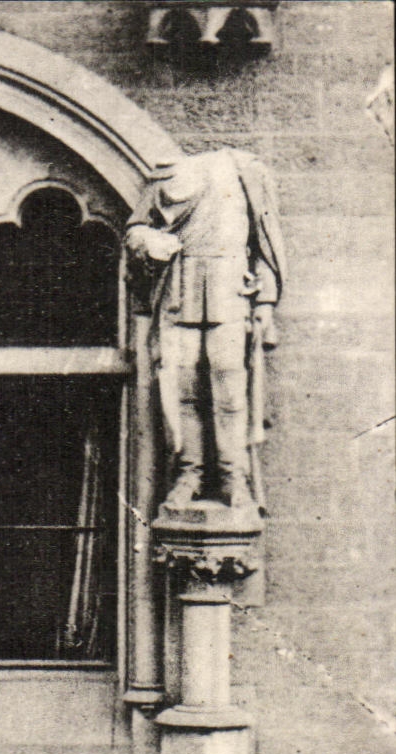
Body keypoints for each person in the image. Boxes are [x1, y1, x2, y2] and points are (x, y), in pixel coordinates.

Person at [126, 148, 285, 511]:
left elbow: (264, 246)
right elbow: (136, 230)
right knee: (184, 389)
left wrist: (264, 303)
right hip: (178, 291)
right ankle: (189, 474)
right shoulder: (165, 177)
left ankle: (233, 477)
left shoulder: (245, 174)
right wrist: (149, 241)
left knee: (229, 388)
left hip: (230, 292)